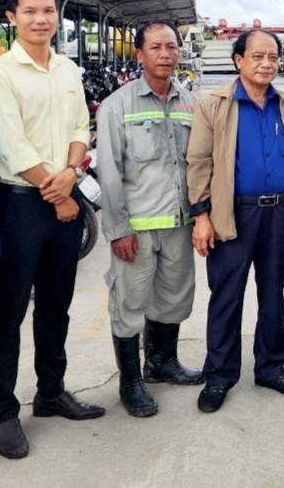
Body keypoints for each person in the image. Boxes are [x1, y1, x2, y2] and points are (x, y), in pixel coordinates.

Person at [0, 0, 102, 460]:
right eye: (30, 11)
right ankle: (4, 414)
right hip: (21, 204)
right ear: (12, 17)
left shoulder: (68, 69)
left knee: (57, 305)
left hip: (64, 194)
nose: (41, 20)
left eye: (48, 11)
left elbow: (79, 126)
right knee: (8, 312)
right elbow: (11, 145)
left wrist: (70, 174)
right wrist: (58, 193)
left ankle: (51, 393)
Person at [188, 29, 284, 412]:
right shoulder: (214, 104)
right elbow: (198, 163)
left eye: (273, 57)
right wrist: (201, 217)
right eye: (257, 56)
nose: (266, 64)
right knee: (226, 296)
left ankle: (271, 367)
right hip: (234, 213)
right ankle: (220, 375)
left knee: (273, 293)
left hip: (278, 212)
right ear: (238, 61)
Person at [96, 21, 204, 418]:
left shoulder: (190, 103)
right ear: (139, 55)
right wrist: (117, 228)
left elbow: (199, 163)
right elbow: (108, 172)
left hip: (179, 223)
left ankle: (162, 362)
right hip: (137, 229)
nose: (166, 54)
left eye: (171, 47)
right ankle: (131, 381)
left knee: (174, 298)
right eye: (156, 47)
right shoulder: (117, 106)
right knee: (129, 304)